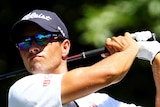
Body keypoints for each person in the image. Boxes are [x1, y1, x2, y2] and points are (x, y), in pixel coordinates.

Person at [8, 9, 150, 107]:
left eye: (42, 39)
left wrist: (155, 55)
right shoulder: (22, 90)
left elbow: (112, 73)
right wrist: (131, 49)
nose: (32, 48)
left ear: (65, 47)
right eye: (24, 43)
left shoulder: (100, 101)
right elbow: (110, 73)